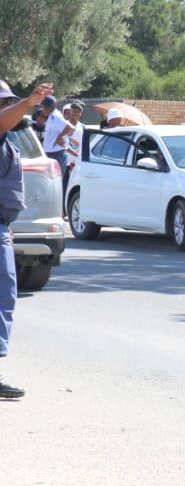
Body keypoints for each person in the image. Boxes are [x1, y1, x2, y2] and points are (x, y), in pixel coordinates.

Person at [0, 79, 56, 400]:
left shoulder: (9, 140)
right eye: (4, 103)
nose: (9, 107)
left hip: (2, 227)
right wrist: (30, 102)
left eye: (10, 101)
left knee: (4, 297)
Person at [37, 95, 72, 178]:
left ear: (49, 107)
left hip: (56, 155)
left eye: (43, 106)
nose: (42, 109)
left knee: (54, 182)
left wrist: (60, 136)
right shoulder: (53, 116)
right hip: (52, 155)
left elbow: (70, 127)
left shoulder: (55, 117)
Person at [61, 101, 84, 198]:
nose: (75, 114)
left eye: (78, 112)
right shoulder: (64, 125)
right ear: (70, 112)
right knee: (63, 188)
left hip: (76, 164)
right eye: (74, 111)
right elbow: (62, 143)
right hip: (65, 163)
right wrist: (75, 154)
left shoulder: (82, 127)